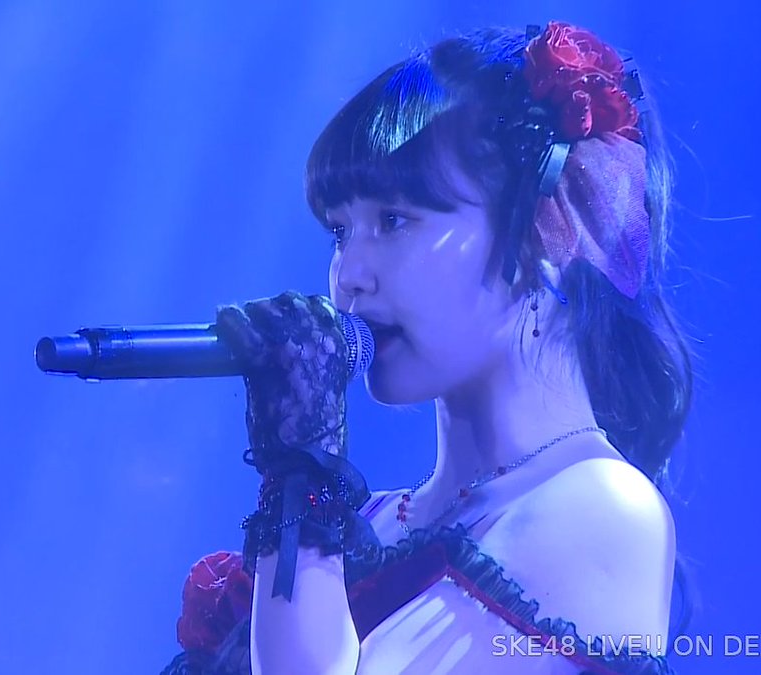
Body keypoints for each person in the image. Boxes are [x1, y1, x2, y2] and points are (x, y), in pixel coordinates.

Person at [163, 20, 693, 675]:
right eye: (339, 232)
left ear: (542, 235)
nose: (349, 275)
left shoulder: (603, 506)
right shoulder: (377, 521)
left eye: (393, 220)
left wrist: (301, 468)